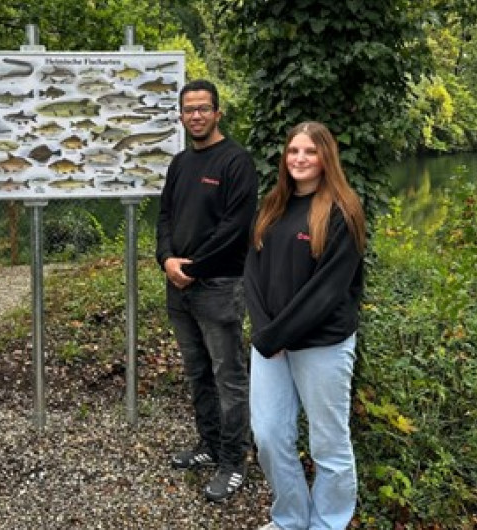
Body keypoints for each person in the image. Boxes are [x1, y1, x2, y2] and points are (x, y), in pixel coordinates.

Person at [244, 121, 366, 530]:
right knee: (268, 436)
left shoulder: (342, 212)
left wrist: (279, 335)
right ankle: (290, 520)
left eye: (310, 151)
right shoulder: (273, 206)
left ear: (326, 157)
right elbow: (253, 272)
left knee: (328, 443)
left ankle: (328, 523)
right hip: (270, 346)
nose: (299, 158)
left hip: (322, 346)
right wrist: (266, 333)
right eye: (293, 150)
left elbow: (327, 291)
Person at [156, 79, 258, 502]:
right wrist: (166, 259)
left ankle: (234, 461)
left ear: (218, 113)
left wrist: (194, 269)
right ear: (180, 116)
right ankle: (210, 445)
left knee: (228, 376)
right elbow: (164, 216)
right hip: (179, 286)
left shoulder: (236, 162)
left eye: (203, 108)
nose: (195, 115)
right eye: (189, 109)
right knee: (198, 372)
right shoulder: (180, 163)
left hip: (219, 287)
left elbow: (235, 229)